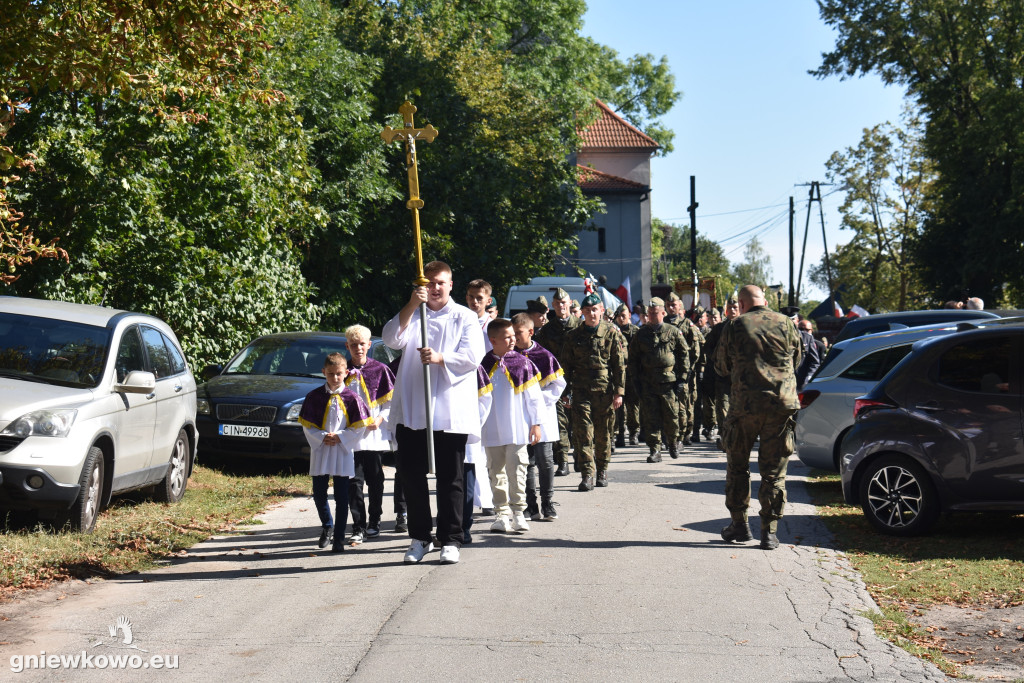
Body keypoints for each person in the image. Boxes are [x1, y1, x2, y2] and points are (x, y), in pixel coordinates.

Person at [382, 260, 486, 565]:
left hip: (449, 408)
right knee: (412, 477)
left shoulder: (464, 317)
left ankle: (450, 538)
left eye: (440, 282)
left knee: (450, 478)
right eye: (429, 283)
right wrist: (413, 303)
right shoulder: (415, 315)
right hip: (414, 408)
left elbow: (473, 356)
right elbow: (391, 339)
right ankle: (420, 537)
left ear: (450, 284)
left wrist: (441, 357)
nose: (435, 288)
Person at [715, 285, 802, 550]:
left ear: (741, 304)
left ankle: (740, 526)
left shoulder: (735, 325)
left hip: (745, 407)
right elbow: (797, 359)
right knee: (774, 472)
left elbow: (721, 365)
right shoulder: (786, 323)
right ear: (764, 301)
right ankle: (770, 533)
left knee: (738, 467)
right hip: (780, 405)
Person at [299, 353, 371, 553]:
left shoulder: (352, 398)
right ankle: (327, 526)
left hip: (342, 451)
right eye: (331, 374)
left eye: (339, 374)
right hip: (321, 449)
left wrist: (340, 437)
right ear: (324, 372)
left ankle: (339, 537)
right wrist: (322, 436)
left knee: (342, 496)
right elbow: (307, 426)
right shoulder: (314, 397)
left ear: (346, 373)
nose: (335, 378)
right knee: (319, 494)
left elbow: (359, 427)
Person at [480, 318, 544, 533]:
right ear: (493, 340)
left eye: (513, 336)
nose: (512, 340)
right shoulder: (482, 365)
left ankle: (518, 512)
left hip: (517, 427)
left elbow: (534, 397)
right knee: (495, 471)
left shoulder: (522, 362)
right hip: (491, 428)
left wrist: (536, 423)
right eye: (506, 337)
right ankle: (501, 514)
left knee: (517, 469)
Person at [560, 293, 626, 490]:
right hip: (581, 392)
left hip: (604, 392)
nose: (591, 314)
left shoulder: (611, 333)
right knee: (583, 434)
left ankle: (602, 470)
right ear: (582, 312)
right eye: (587, 311)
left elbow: (619, 365)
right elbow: (565, 366)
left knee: (603, 434)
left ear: (602, 311)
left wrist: (619, 392)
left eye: (594, 310)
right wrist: (565, 392)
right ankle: (588, 474)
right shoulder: (573, 336)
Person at [343, 325, 396, 545]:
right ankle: (358, 526)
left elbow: (391, 402)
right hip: (351, 437)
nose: (358, 348)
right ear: (347, 346)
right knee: (354, 482)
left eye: (362, 344)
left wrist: (381, 419)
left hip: (374, 437)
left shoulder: (381, 369)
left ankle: (375, 520)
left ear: (369, 345)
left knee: (375, 481)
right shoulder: (341, 371)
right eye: (354, 345)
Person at [512, 313, 565, 522]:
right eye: (512, 333)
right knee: (526, 462)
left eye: (518, 333)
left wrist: (536, 399)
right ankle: (530, 504)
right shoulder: (510, 356)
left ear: (530, 332)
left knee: (545, 459)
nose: (514, 338)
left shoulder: (544, 356)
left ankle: (548, 502)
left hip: (542, 415)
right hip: (519, 416)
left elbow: (559, 385)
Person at [628, 298, 688, 462]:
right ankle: (655, 449)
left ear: (663, 313)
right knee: (650, 417)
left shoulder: (673, 331)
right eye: (649, 314)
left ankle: (673, 442)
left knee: (671, 415)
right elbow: (632, 359)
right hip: (648, 382)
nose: (652, 317)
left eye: (655, 313)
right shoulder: (641, 334)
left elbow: (684, 355)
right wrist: (636, 381)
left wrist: (682, 379)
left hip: (668, 382)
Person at [534, 287, 581, 477]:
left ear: (570, 303)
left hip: (579, 381)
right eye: (558, 303)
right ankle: (563, 461)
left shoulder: (580, 326)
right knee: (560, 423)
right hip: (556, 383)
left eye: (564, 303)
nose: (561, 306)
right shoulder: (547, 331)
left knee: (579, 423)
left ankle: (580, 456)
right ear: (552, 306)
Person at [665, 293, 702, 446]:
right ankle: (670, 435)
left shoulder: (687, 324)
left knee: (685, 404)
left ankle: (685, 432)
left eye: (674, 305)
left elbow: (695, 351)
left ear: (679, 306)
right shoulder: (662, 323)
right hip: (666, 372)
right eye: (668, 305)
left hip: (684, 372)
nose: (671, 308)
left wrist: (689, 370)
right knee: (668, 405)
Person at [613, 302, 641, 447]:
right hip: (619, 373)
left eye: (623, 316)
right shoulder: (613, 331)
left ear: (629, 316)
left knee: (633, 405)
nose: (621, 318)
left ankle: (634, 432)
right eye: (619, 316)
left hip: (632, 373)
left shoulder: (636, 331)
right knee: (618, 406)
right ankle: (619, 433)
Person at [795, 318, 826, 391]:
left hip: (804, 381)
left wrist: (809, 379)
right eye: (801, 329)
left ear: (811, 330)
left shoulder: (819, 345)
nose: (804, 331)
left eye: (807, 330)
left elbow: (817, 363)